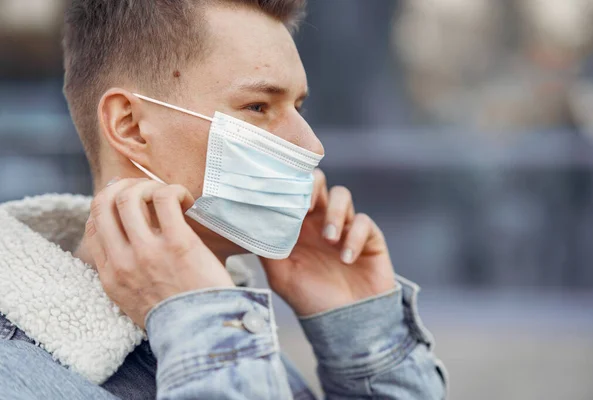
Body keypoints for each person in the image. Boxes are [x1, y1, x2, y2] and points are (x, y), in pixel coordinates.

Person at [0, 0, 447, 398]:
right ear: (130, 125)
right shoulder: (17, 375)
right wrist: (208, 326)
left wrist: (364, 343)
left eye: (299, 107)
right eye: (258, 107)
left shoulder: (227, 320)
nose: (312, 146)